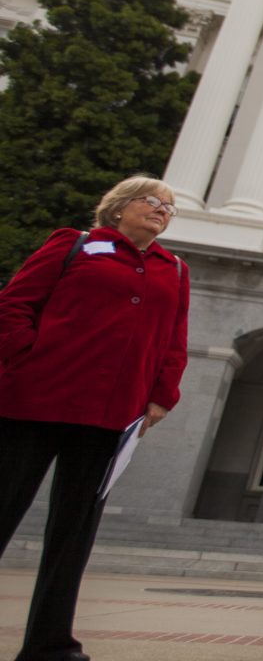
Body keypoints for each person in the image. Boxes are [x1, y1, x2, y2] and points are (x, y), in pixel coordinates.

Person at [0, 175, 190, 661]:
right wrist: (27, 359)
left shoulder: (174, 269)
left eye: (169, 207)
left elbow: (173, 341)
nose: (162, 210)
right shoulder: (76, 245)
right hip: (37, 401)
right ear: (119, 207)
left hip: (111, 415)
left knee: (73, 534)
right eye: (152, 201)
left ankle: (49, 644)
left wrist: (161, 396)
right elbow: (14, 306)